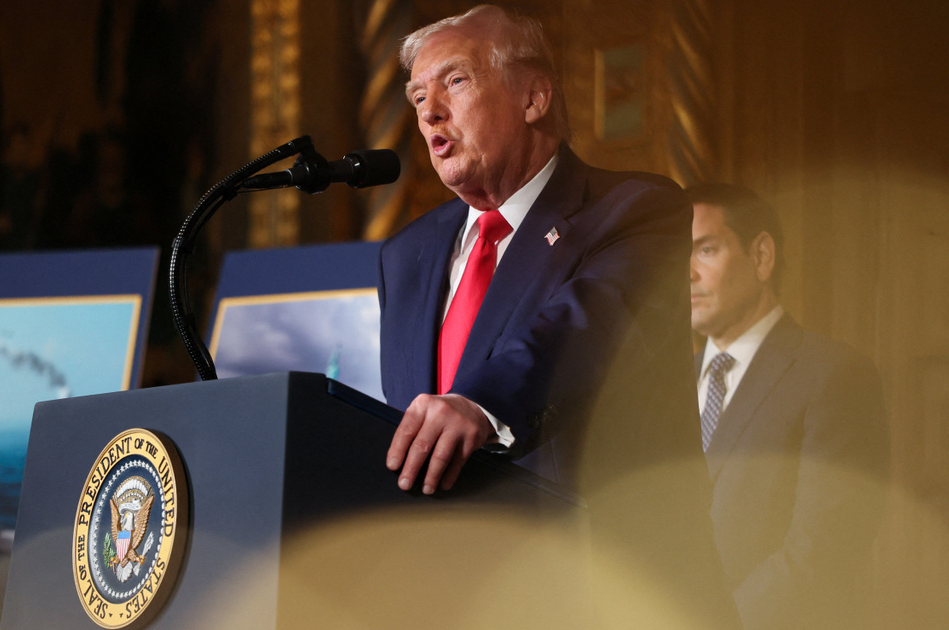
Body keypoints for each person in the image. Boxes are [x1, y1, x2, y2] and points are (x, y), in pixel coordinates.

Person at [378, 5, 731, 626]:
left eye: (455, 81)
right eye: (417, 96)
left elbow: (585, 330)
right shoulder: (406, 255)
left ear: (533, 97)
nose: (430, 112)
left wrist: (479, 405)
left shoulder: (635, 211)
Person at [688, 183, 889, 628]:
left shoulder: (835, 375)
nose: (686, 273)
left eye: (706, 250)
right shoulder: (666, 384)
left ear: (761, 256)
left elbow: (821, 553)